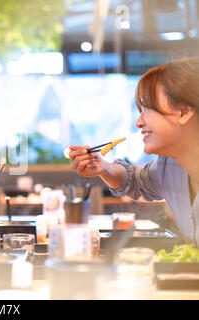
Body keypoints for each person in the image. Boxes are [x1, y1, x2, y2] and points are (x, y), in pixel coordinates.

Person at [69, 57, 199, 245]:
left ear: (184, 111)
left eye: (148, 108)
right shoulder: (168, 166)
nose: (138, 122)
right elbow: (136, 181)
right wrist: (102, 166)